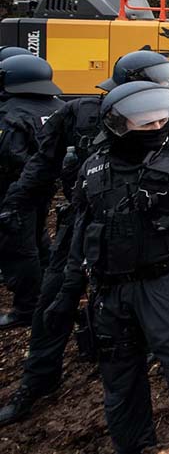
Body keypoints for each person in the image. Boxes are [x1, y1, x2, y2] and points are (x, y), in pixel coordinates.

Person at [49, 82, 169, 454]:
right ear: (118, 122)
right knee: (119, 382)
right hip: (109, 291)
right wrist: (68, 290)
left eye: (160, 117)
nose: (156, 124)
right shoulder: (94, 167)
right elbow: (80, 229)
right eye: (144, 120)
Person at [0, 51, 169, 425]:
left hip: (144, 232)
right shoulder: (78, 113)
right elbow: (41, 164)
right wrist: (14, 203)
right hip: (83, 224)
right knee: (53, 306)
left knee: (145, 309)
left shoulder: (168, 120)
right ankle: (37, 381)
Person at [0, 55, 66, 329]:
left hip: (13, 191)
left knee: (17, 248)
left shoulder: (9, 114)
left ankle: (27, 307)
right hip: (44, 186)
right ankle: (53, 291)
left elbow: (9, 157)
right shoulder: (60, 108)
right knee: (39, 240)